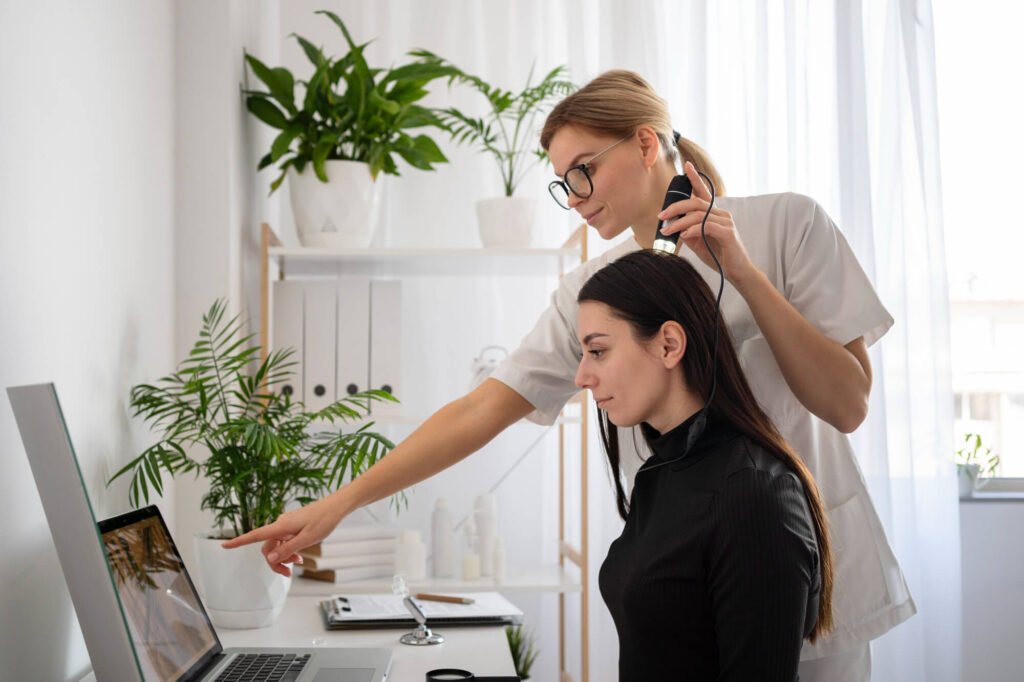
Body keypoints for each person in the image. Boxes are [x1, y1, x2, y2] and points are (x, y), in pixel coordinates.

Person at [225, 69, 915, 680]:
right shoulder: (593, 290)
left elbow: (847, 403)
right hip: (683, 575)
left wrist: (741, 271)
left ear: (647, 144)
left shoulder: (786, 226)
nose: (575, 194)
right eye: (563, 182)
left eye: (584, 168)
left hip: (799, 562)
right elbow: (483, 408)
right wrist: (337, 504)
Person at [577, 249, 832, 680]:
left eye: (598, 351)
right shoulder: (658, 475)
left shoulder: (753, 495)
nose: (582, 376)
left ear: (669, 344)